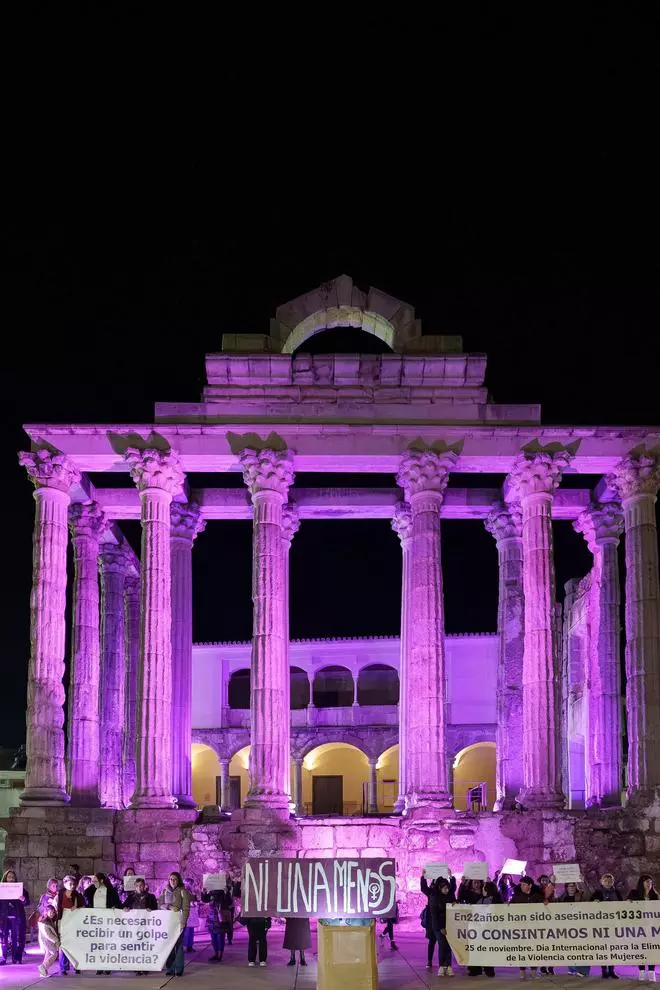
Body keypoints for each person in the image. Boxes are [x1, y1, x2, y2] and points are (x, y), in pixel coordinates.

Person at [83, 874, 121, 975]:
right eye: (92, 881)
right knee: (98, 945)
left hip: (107, 921)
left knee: (107, 944)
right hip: (96, 921)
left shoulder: (111, 891)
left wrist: (115, 907)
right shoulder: (90, 891)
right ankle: (99, 965)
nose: (93, 883)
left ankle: (107, 965)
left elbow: (117, 903)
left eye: (95, 881)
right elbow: (86, 902)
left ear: (102, 880)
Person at [421, 871, 455, 976]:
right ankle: (438, 964)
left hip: (448, 924)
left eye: (447, 888)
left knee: (448, 945)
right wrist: (423, 877)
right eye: (445, 888)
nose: (447, 890)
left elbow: (453, 888)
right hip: (436, 924)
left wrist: (451, 876)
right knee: (437, 942)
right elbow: (424, 888)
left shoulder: (450, 895)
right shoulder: (433, 896)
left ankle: (448, 965)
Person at [159, 872, 190, 977]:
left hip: (178, 922)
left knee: (178, 945)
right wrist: (169, 907)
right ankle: (170, 968)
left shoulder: (183, 891)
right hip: (167, 922)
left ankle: (179, 968)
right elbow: (160, 904)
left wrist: (183, 921)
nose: (172, 881)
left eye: (174, 879)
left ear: (178, 880)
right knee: (169, 945)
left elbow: (186, 908)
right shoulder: (164, 891)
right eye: (170, 879)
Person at [629, 875, 659, 982]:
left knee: (652, 949)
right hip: (638, 927)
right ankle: (641, 971)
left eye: (651, 882)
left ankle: (651, 971)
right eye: (647, 882)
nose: (649, 884)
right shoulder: (634, 893)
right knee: (639, 949)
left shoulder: (655, 895)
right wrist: (629, 903)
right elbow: (626, 907)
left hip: (652, 928)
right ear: (641, 883)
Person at [512, 877, 543, 979]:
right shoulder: (517, 897)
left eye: (524, 884)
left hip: (534, 929)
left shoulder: (537, 897)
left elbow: (544, 909)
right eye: (521, 884)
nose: (522, 886)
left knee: (534, 950)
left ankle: (534, 971)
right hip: (521, 929)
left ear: (530, 885)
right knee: (522, 950)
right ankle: (522, 972)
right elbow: (510, 909)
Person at [592, 874, 621, 979]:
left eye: (610, 881)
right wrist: (594, 902)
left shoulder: (617, 892)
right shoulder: (597, 893)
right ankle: (604, 971)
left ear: (613, 882)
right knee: (603, 949)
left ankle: (612, 970)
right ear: (602, 882)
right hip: (601, 925)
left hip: (613, 924)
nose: (608, 883)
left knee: (612, 948)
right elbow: (589, 905)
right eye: (606, 881)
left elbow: (622, 906)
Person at [0, 869, 30, 965]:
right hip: (4, 917)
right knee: (4, 938)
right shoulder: (1, 889)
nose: (11, 879)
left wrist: (23, 899)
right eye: (9, 877)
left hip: (17, 916)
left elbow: (27, 902)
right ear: (5, 878)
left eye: (13, 877)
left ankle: (16, 958)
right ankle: (4, 958)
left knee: (17, 938)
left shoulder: (21, 889)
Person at [56, 875, 84, 975]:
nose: (72, 886)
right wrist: (58, 921)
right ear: (65, 884)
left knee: (75, 944)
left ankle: (76, 966)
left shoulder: (77, 894)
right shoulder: (60, 893)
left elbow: (83, 905)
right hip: (63, 921)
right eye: (70, 884)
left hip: (74, 921)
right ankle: (63, 968)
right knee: (63, 945)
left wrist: (77, 907)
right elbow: (58, 908)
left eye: (73, 884)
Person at [561, 882, 590, 977]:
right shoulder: (562, 897)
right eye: (570, 885)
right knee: (570, 948)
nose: (572, 887)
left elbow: (589, 895)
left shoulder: (581, 895)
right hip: (567, 926)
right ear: (566, 887)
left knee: (582, 948)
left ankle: (583, 971)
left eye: (574, 885)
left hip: (580, 926)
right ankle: (572, 968)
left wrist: (582, 881)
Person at [202, 887, 230, 962]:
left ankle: (220, 954)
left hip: (220, 918)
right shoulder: (211, 892)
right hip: (211, 918)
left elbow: (228, 902)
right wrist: (204, 892)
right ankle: (216, 953)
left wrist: (227, 892)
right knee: (213, 937)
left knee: (220, 937)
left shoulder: (223, 892)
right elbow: (205, 900)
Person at [37, 904, 60, 979]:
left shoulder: (48, 920)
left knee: (48, 955)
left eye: (53, 912)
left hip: (48, 941)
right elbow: (48, 934)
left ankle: (43, 972)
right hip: (47, 941)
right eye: (50, 912)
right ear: (46, 912)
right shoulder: (45, 922)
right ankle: (43, 967)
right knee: (54, 954)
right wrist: (56, 940)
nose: (52, 914)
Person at [182, 879, 198, 954]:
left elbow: (195, 900)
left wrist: (195, 902)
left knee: (191, 931)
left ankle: (190, 946)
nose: (192, 885)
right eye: (190, 883)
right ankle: (185, 946)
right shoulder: (183, 891)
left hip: (192, 913)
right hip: (186, 913)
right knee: (187, 931)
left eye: (192, 884)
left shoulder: (191, 891)